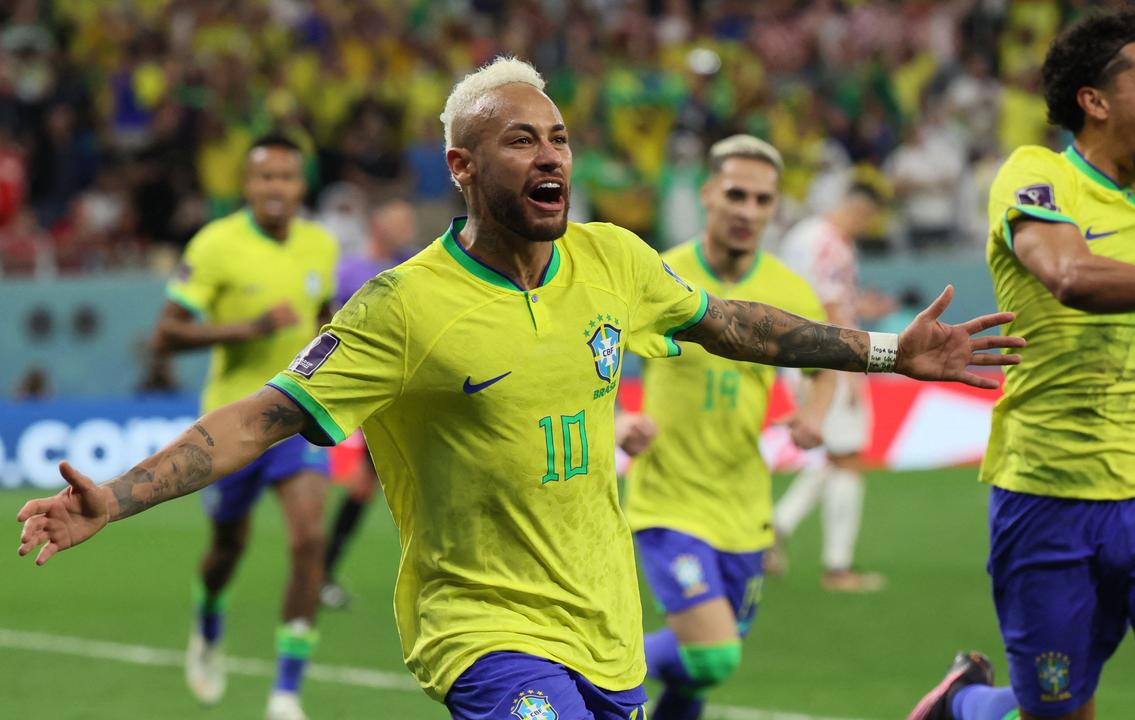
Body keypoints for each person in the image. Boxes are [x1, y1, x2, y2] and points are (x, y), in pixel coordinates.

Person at [17, 58, 1024, 719]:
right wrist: (121, 493)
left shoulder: (612, 260)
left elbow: (730, 323)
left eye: (558, 140)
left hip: (602, 618)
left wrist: (888, 353)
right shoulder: (402, 307)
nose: (551, 157)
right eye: (519, 141)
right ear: (461, 165)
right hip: (479, 629)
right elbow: (261, 417)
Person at [909, 11, 1135, 720]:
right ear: (1096, 100)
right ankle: (967, 706)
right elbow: (1071, 278)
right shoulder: (1034, 174)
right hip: (1048, 499)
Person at [623, 134, 836, 717]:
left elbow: (826, 369)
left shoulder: (790, 292)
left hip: (745, 504)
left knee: (698, 675)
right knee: (713, 654)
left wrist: (812, 416)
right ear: (708, 194)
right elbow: (589, 354)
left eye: (762, 200)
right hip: (668, 499)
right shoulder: (661, 275)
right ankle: (588, 674)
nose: (748, 211)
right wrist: (618, 419)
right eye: (736, 194)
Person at [152, 134, 338, 720]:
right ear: (246, 185)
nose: (275, 188)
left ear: (301, 185)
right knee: (228, 546)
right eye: (264, 178)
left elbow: (325, 318)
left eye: (286, 177)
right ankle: (209, 619)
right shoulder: (216, 245)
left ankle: (286, 692)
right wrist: (247, 327)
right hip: (232, 423)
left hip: (298, 416)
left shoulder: (321, 245)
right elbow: (166, 334)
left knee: (310, 539)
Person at [769, 185, 885, 592]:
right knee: (848, 457)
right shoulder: (832, 244)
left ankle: (776, 525)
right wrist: (851, 366)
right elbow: (832, 304)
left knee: (832, 455)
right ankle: (838, 568)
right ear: (856, 211)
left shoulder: (801, 236)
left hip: (795, 352)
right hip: (827, 357)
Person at [320, 198, 420, 610]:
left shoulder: (412, 265)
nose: (408, 227)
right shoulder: (351, 271)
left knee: (367, 484)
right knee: (372, 482)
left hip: (412, 389)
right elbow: (332, 327)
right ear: (378, 224)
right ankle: (321, 572)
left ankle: (322, 572)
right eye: (400, 219)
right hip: (375, 390)